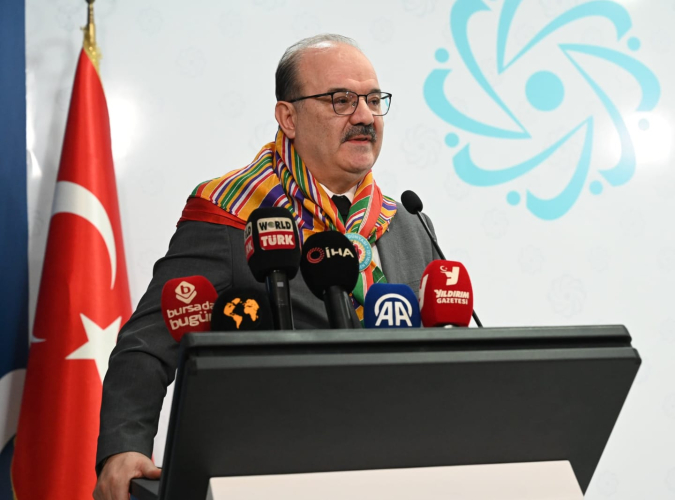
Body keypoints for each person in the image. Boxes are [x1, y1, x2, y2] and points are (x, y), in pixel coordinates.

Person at [93, 34, 439, 500]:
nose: (364, 117)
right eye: (341, 100)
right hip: (272, 475)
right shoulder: (229, 213)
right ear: (288, 117)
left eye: (374, 100)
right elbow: (147, 344)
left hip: (402, 470)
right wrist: (124, 447)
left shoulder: (408, 223)